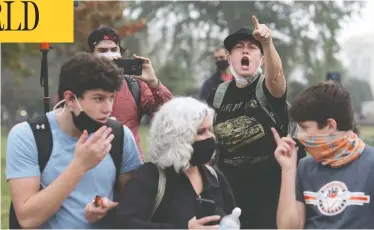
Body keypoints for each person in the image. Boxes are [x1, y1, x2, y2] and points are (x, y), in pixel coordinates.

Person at [6, 53, 142, 229]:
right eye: (98, 98)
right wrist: (79, 166)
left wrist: (111, 208)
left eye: (111, 98)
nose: (108, 109)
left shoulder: (119, 136)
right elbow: (27, 219)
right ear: (70, 99)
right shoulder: (28, 136)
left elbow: (137, 205)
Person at [206, 16, 305, 229]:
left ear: (261, 59)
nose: (245, 51)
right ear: (230, 58)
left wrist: (268, 43)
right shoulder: (217, 96)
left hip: (271, 196)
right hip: (229, 196)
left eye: (252, 48)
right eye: (239, 48)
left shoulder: (268, 89)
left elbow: (276, 76)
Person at [115, 97, 236, 229]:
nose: (210, 137)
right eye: (200, 132)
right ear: (177, 137)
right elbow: (125, 224)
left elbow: (232, 216)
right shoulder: (151, 177)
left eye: (210, 130)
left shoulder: (215, 176)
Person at [55, 26, 173, 160]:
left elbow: (167, 116)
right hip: (89, 160)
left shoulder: (135, 85)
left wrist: (154, 83)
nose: (109, 55)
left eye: (114, 50)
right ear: (90, 55)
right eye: (102, 50)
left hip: (129, 163)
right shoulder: (77, 85)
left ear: (121, 53)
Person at [274, 81, 374, 229]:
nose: (300, 136)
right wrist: (288, 170)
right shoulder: (305, 167)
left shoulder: (370, 165)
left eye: (304, 128)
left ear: (330, 126)